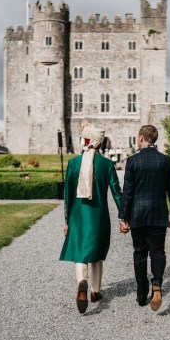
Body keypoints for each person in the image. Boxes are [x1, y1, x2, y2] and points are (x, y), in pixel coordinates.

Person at [60, 122, 122, 314]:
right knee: (97, 253)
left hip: (78, 215)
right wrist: (124, 215)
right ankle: (95, 291)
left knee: (80, 251)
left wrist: (67, 220)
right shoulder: (107, 164)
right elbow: (116, 193)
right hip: (98, 215)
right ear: (100, 143)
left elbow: (68, 195)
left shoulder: (73, 163)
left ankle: (82, 282)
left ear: (87, 140)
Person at [118, 125, 170, 311]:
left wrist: (123, 217)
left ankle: (141, 294)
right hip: (158, 213)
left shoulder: (132, 161)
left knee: (140, 252)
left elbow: (127, 192)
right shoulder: (165, 161)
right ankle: (157, 283)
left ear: (141, 138)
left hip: (137, 214)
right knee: (158, 251)